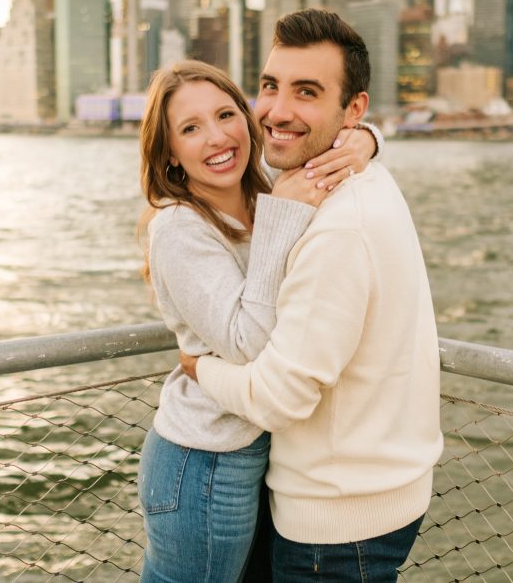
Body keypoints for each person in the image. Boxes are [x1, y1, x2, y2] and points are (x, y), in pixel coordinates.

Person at [181, 9, 444, 582]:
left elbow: (278, 398)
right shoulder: (356, 175)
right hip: (374, 492)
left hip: (335, 522)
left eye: (307, 92)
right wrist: (371, 143)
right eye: (270, 86)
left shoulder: (337, 227)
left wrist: (197, 368)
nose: (277, 110)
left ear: (353, 111)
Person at [136, 59, 381, 582]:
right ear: (171, 154)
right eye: (190, 128)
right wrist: (280, 218)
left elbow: (337, 138)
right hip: (202, 462)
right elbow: (249, 344)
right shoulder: (179, 228)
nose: (217, 137)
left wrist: (366, 141)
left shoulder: (265, 192)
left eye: (226, 114)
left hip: (259, 453)